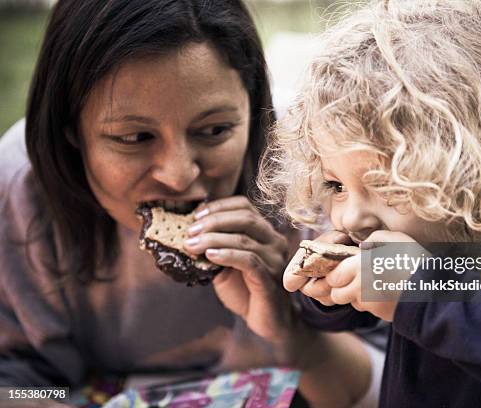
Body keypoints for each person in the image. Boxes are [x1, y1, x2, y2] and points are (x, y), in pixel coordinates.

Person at [0, 0, 381, 407]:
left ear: (253, 111)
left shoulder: (321, 171)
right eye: (134, 138)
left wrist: (292, 334)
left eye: (214, 130)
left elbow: (403, 376)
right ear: (70, 132)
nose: (180, 175)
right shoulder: (19, 191)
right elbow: (16, 383)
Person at [258, 0, 481, 406]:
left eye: (388, 186)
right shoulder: (414, 241)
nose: (352, 215)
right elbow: (361, 308)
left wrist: (421, 291)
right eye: (336, 185)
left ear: (471, 169)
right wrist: (324, 294)